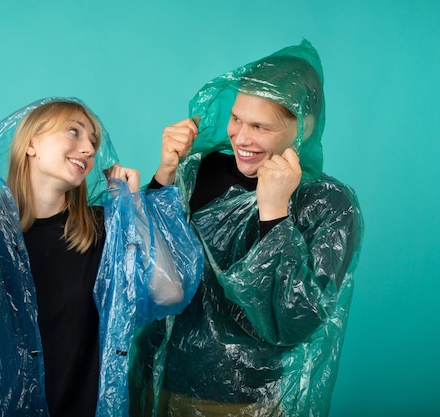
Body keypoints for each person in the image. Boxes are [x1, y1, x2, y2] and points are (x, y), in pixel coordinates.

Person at [0, 97, 203, 417]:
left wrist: (132, 205)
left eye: (93, 141)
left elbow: (169, 291)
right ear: (31, 143)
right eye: (74, 132)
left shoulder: (101, 230)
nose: (89, 149)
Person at [129, 40, 364, 416]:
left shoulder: (327, 205)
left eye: (260, 126)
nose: (240, 137)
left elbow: (291, 321)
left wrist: (273, 210)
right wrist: (165, 175)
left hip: (241, 401)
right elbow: (142, 261)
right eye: (237, 118)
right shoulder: (198, 170)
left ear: (303, 124)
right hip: (152, 378)